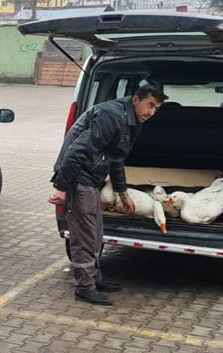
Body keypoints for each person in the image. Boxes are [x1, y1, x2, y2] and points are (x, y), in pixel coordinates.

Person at [51, 84, 166, 306]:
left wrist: (123, 193)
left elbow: (116, 158)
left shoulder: (132, 121)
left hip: (92, 177)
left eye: (156, 108)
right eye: (149, 105)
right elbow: (76, 151)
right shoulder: (111, 116)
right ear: (135, 100)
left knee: (95, 232)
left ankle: (95, 278)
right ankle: (84, 287)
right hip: (78, 175)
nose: (151, 112)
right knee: (84, 235)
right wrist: (61, 187)